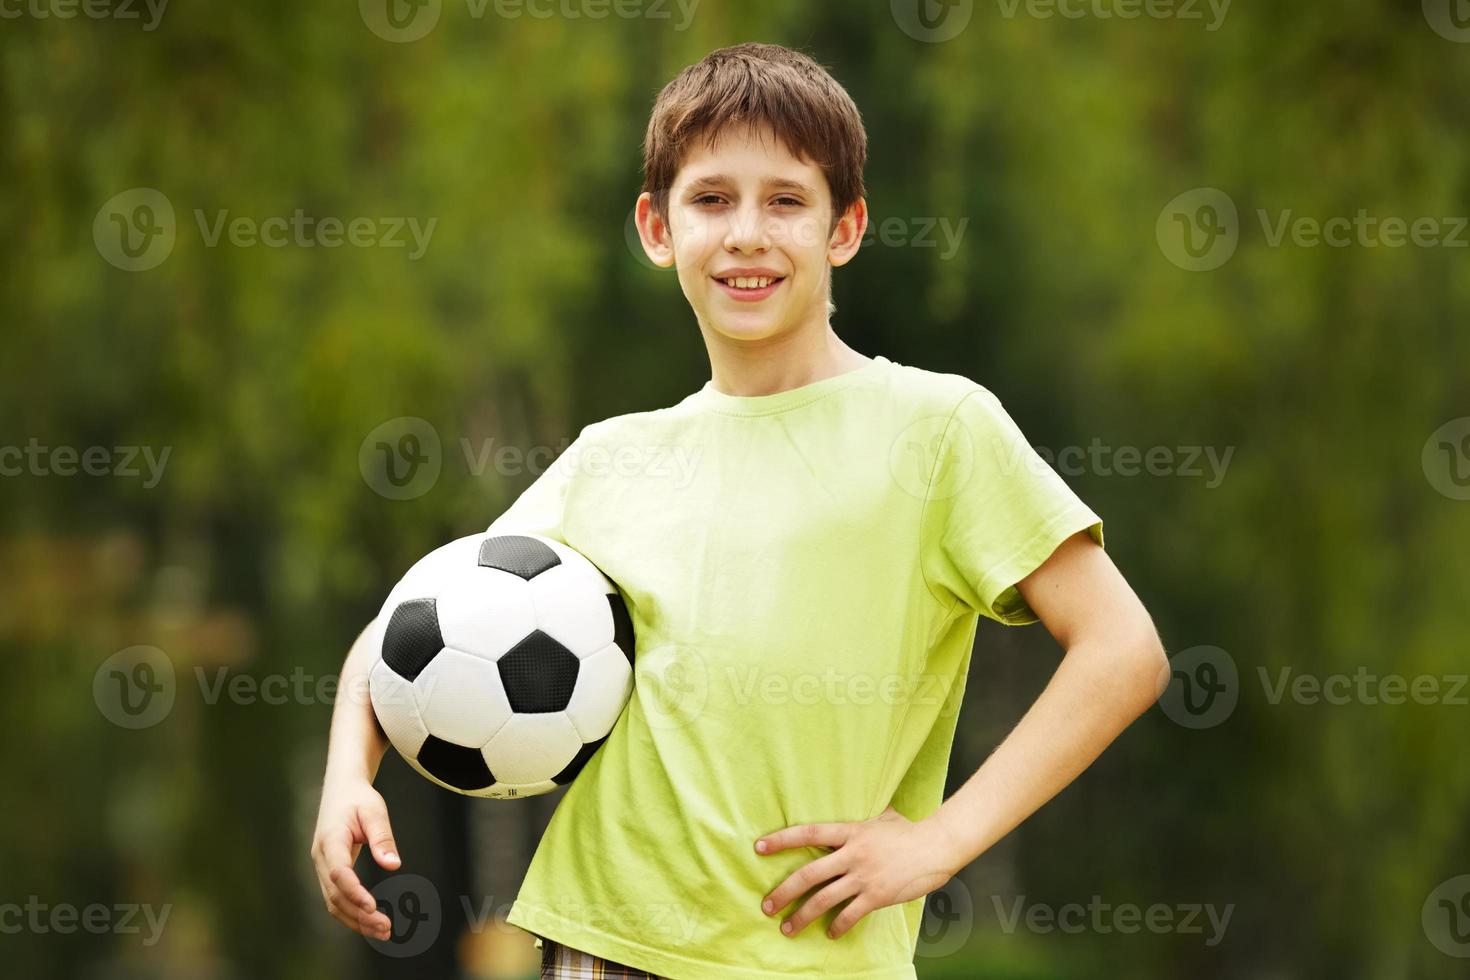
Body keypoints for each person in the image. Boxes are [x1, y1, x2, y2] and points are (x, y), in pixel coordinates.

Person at [311, 41, 1168, 980]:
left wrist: (943, 839)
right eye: (712, 199)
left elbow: (1122, 650)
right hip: (602, 943)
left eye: (787, 201)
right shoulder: (613, 459)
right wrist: (349, 773)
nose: (747, 234)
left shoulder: (938, 428)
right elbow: (412, 628)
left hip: (813, 960)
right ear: (656, 227)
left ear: (844, 229)